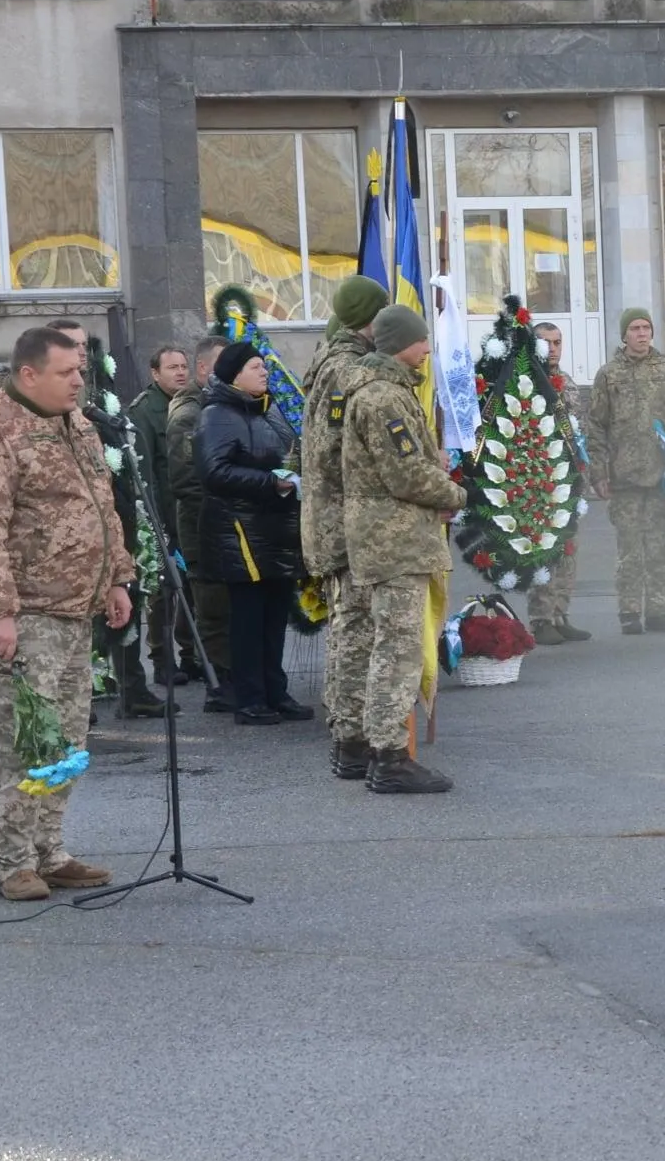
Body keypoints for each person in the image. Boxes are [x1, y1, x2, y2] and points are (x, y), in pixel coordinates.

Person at [0, 325, 134, 901]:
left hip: (76, 611)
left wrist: (118, 576)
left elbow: (101, 505)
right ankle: (11, 862)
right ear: (29, 374)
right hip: (26, 616)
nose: (80, 380)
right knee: (25, 742)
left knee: (68, 742)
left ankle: (51, 851)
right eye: (67, 372)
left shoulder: (73, 422)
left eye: (80, 370)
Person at [342, 305, 468, 794]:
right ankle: (390, 758)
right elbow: (406, 473)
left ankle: (380, 751)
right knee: (397, 652)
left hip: (387, 538)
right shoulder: (385, 398)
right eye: (421, 342)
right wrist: (454, 494)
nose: (428, 350)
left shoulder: (383, 391)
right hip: (393, 543)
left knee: (389, 649)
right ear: (399, 344)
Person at [46, 318, 168, 719]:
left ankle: (132, 686)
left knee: (127, 600)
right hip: (72, 531)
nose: (82, 352)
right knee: (83, 616)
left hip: (117, 515)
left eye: (84, 344)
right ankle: (85, 690)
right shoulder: (49, 401)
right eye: (72, 345)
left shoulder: (101, 390)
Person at [195, 341, 314, 726]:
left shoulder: (268, 410)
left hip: (274, 529)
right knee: (248, 618)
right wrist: (270, 483)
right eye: (254, 367)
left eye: (263, 366)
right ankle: (249, 698)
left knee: (275, 615)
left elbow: (286, 454)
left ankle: (275, 692)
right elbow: (214, 472)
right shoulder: (217, 414)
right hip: (240, 532)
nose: (264, 372)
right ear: (234, 375)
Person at [301, 275, 390, 778]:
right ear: (369, 318)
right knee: (355, 631)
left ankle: (346, 735)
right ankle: (351, 738)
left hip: (332, 517)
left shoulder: (329, 360)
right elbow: (336, 451)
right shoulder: (346, 369)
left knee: (348, 628)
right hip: (345, 520)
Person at [587, 308, 665, 635]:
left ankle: (659, 610)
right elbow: (596, 425)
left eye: (646, 327)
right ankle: (629, 612)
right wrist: (599, 471)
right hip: (624, 476)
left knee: (659, 546)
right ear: (624, 334)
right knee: (630, 548)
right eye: (635, 328)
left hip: (661, 475)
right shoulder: (609, 374)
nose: (642, 333)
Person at [166, 334, 233, 705]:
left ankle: (231, 674)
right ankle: (218, 683)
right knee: (211, 608)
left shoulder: (218, 405)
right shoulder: (188, 412)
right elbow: (185, 479)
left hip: (224, 526)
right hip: (201, 526)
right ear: (204, 368)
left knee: (226, 605)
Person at [126, 344, 193, 688]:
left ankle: (192, 654)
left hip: (190, 511)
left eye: (184, 366)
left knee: (193, 587)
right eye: (172, 367)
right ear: (155, 373)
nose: (181, 372)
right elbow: (145, 471)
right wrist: (154, 522)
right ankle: (162, 658)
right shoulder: (144, 411)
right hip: (163, 512)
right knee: (162, 591)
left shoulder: (193, 403)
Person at [526, 321, 593, 646]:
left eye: (558, 342)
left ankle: (560, 612)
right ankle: (541, 618)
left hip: (568, 480)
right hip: (537, 481)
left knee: (567, 550)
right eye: (546, 343)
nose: (553, 349)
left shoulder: (567, 383)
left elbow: (579, 434)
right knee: (544, 551)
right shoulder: (524, 383)